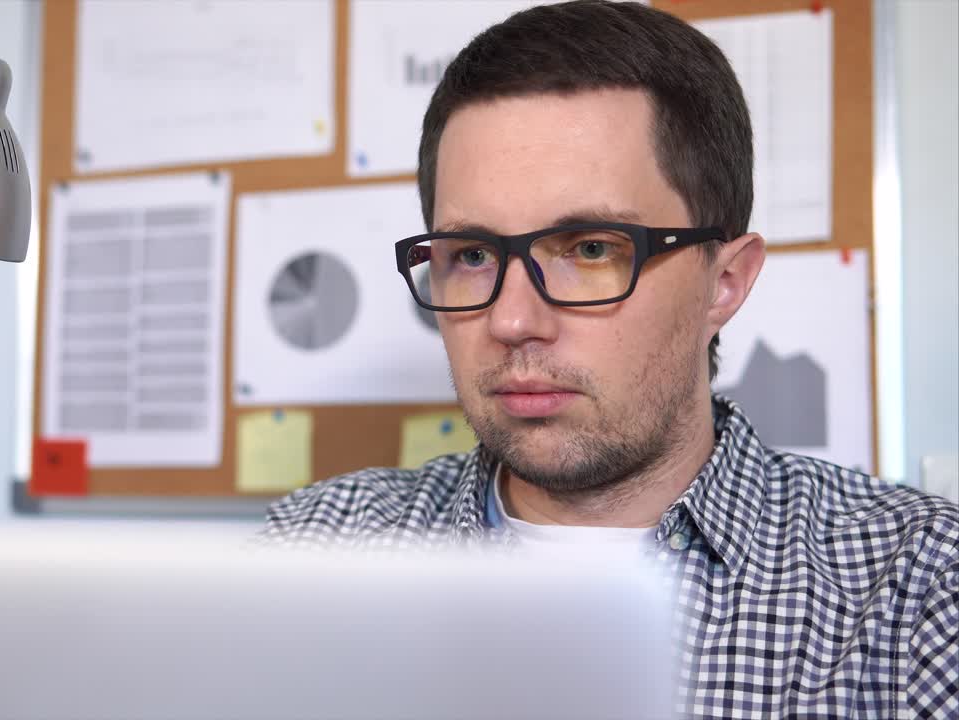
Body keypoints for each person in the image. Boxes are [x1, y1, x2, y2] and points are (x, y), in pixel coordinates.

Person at [258, 1, 958, 716]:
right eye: (471, 255)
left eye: (590, 249)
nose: (511, 321)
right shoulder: (319, 547)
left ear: (724, 282)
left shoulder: (916, 592)